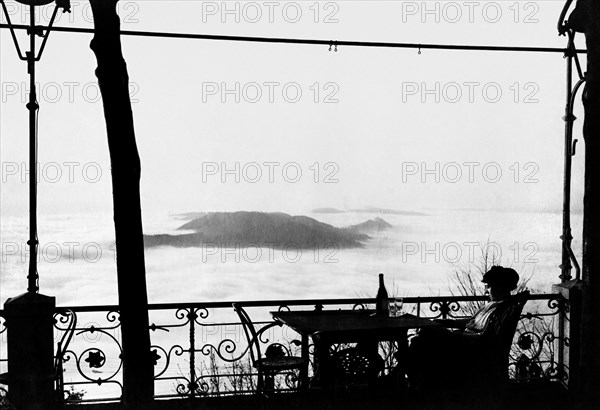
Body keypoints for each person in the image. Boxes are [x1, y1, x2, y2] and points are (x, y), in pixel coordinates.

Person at [404, 266, 523, 391]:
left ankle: (414, 383)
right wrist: (445, 322)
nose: (486, 291)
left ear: (500, 286)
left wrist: (454, 336)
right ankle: (415, 381)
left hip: (470, 348)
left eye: (489, 286)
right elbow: (471, 322)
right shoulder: (493, 306)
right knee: (419, 341)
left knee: (425, 336)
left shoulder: (501, 308)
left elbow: (487, 337)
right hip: (465, 342)